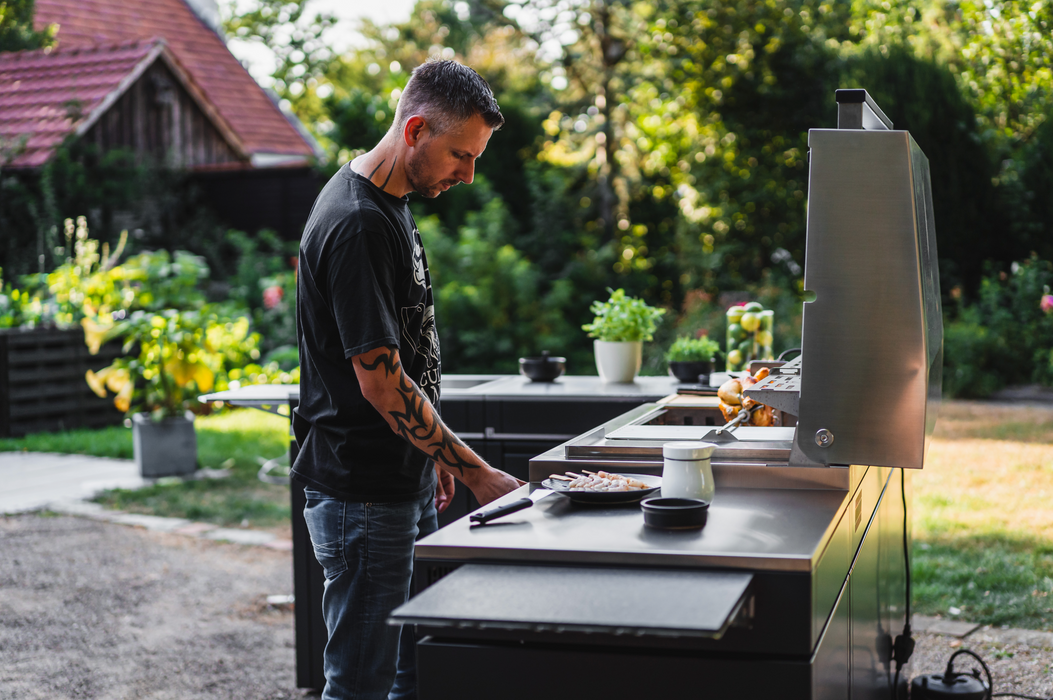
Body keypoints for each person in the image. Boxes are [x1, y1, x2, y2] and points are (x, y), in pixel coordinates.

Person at [290, 59, 523, 700]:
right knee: (360, 686)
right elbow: (382, 386)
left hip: (402, 481)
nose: (468, 175)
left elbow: (408, 349)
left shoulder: (391, 204)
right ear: (415, 129)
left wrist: (433, 456)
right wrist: (477, 471)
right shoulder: (358, 222)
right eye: (460, 155)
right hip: (364, 496)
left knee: (411, 674)